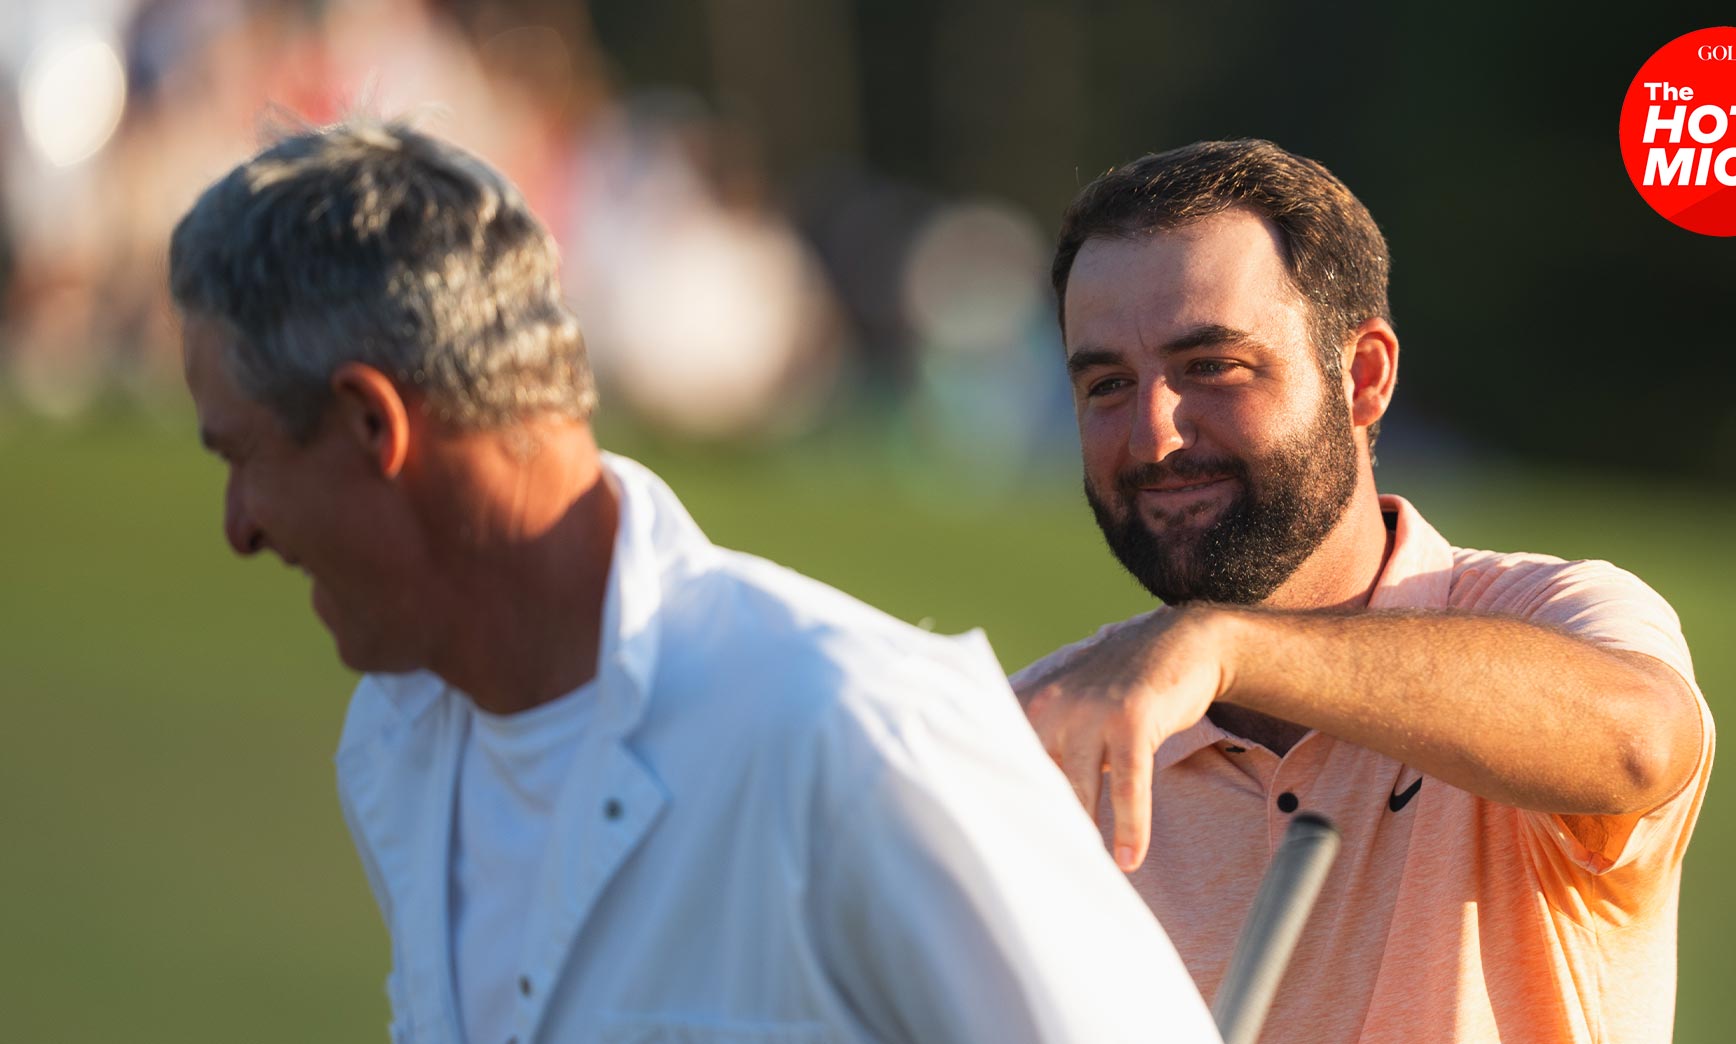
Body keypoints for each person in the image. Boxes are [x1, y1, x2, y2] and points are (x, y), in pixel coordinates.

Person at [169, 122, 1219, 1044]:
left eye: (242, 456)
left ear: (370, 424)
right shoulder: (396, 746)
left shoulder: (853, 733)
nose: (238, 526)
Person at [1014, 139, 1714, 1043]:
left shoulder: (1555, 616)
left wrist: (1226, 649)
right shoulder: (1041, 741)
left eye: (1212, 367)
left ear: (1364, 377)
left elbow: (1636, 747)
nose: (1153, 435)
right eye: (1108, 384)